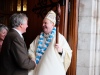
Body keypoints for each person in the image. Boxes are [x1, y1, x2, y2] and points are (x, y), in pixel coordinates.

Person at [28, 10, 72, 75]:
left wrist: (61, 51)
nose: (43, 25)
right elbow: (31, 50)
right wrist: (33, 58)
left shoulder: (59, 38)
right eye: (43, 23)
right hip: (37, 70)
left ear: (52, 24)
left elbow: (68, 53)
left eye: (45, 23)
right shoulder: (38, 38)